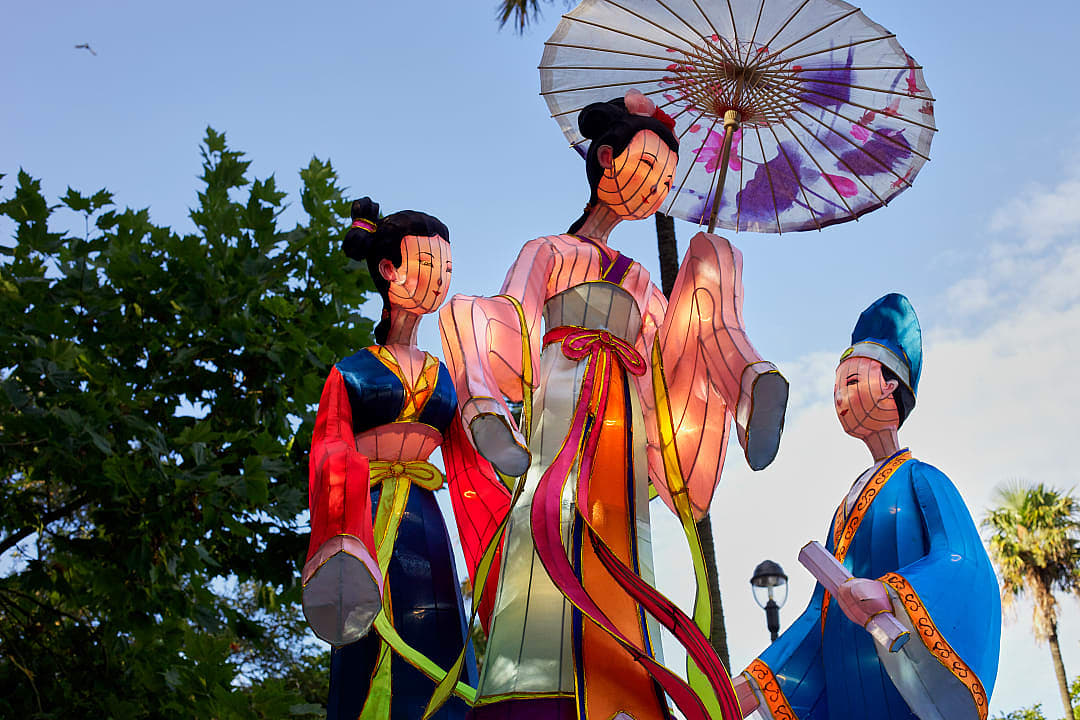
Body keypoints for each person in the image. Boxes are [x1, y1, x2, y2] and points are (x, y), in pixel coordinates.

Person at [440, 89, 788, 720]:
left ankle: (748, 388)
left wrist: (702, 288)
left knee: (711, 272)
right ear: (606, 158)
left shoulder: (639, 281)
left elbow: (669, 352)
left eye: (666, 179)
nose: (657, 188)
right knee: (467, 313)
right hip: (560, 404)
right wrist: (497, 363)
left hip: (622, 423)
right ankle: (482, 409)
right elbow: (514, 315)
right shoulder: (549, 251)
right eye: (648, 169)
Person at [732, 293, 1001, 720]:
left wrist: (890, 592)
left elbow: (963, 563)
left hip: (901, 691)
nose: (840, 398)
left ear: (891, 385)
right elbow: (815, 621)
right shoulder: (843, 511)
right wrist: (744, 692)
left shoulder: (923, 480)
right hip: (849, 695)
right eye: (837, 388)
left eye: (852, 382)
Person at [302, 198, 511, 720]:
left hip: (427, 518)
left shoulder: (445, 374)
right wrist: (344, 530)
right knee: (371, 631)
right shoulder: (350, 371)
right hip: (366, 515)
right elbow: (330, 446)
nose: (437, 281)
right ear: (389, 270)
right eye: (427, 266)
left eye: (445, 270)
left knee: (441, 620)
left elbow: (471, 463)